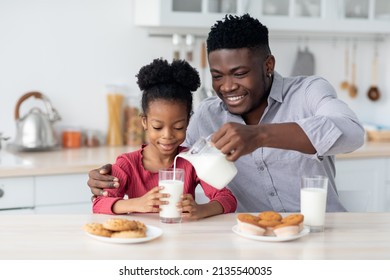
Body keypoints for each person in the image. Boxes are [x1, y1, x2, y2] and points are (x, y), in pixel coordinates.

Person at [88, 14, 364, 213]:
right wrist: (109, 178)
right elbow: (167, 153)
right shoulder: (207, 115)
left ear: (268, 64)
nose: (227, 86)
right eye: (217, 76)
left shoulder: (308, 91)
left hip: (322, 231)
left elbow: (351, 133)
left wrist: (259, 135)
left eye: (240, 73)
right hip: (251, 237)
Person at [92, 58, 237, 219]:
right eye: (157, 127)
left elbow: (227, 199)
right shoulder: (128, 164)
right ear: (144, 122)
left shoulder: (192, 161)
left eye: (178, 127)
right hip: (142, 237)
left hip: (181, 238)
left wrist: (201, 210)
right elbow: (99, 204)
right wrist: (138, 203)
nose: (167, 135)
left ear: (188, 122)